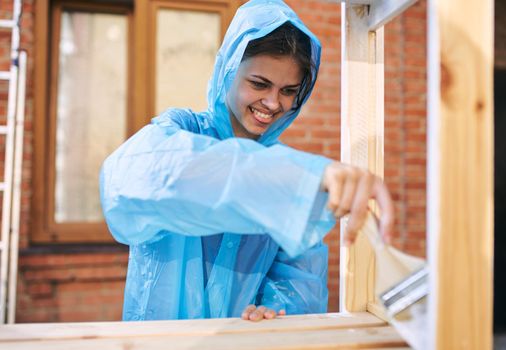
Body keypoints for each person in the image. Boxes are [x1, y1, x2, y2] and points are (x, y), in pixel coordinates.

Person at [99, 0, 394, 322]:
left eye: (288, 90)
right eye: (259, 84)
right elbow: (130, 180)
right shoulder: (181, 132)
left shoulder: (287, 171)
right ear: (227, 70)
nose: (272, 102)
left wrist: (278, 311)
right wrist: (299, 179)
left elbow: (300, 281)